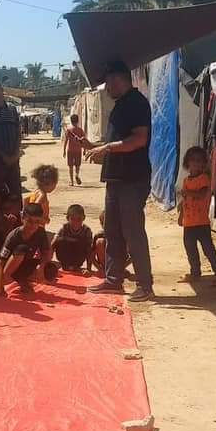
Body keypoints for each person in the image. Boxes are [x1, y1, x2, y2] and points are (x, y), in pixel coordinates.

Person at [85, 60, 154, 302]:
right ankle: (113, 280)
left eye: (108, 83)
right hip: (116, 178)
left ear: (118, 80)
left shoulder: (136, 103)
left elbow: (139, 139)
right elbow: (117, 143)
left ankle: (145, 285)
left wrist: (106, 148)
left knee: (133, 232)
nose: (106, 89)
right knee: (112, 231)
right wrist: (97, 148)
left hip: (132, 178)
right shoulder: (121, 105)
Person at [178, 146, 216, 283]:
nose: (196, 163)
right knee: (190, 249)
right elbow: (185, 201)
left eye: (199, 161)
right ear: (187, 163)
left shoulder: (204, 178)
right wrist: (181, 215)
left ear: (204, 164)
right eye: (193, 160)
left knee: (208, 248)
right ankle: (195, 272)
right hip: (189, 223)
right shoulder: (186, 181)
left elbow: (202, 194)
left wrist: (187, 193)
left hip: (201, 222)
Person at [0, 203, 56, 296]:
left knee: (50, 270)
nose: (33, 225)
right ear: (22, 218)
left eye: (37, 221)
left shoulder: (40, 232)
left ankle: (23, 282)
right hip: (10, 269)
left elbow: (46, 252)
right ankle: (15, 280)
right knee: (21, 249)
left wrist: (42, 267)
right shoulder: (14, 236)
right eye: (30, 221)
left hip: (26, 264)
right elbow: (0, 262)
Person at [53, 204, 94, 273]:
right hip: (64, 257)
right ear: (67, 218)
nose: (76, 222)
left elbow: (89, 250)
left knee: (85, 243)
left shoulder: (86, 230)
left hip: (78, 258)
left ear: (84, 218)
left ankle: (75, 266)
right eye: (72, 219)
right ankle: (65, 265)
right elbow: (53, 244)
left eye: (79, 219)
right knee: (59, 239)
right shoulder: (64, 228)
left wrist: (88, 269)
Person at [62, 114, 87, 187]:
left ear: (71, 121)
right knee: (77, 165)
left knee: (70, 166)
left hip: (70, 150)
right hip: (78, 150)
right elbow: (84, 140)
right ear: (78, 121)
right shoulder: (80, 130)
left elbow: (66, 141)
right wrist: (84, 150)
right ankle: (77, 174)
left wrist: (64, 150)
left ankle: (72, 181)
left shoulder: (69, 130)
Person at [92, 211, 106, 277]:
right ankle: (105, 269)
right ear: (101, 224)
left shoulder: (122, 235)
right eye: (105, 223)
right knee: (100, 242)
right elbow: (92, 257)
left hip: (119, 266)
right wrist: (100, 268)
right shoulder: (99, 235)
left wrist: (123, 267)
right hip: (104, 266)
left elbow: (133, 255)